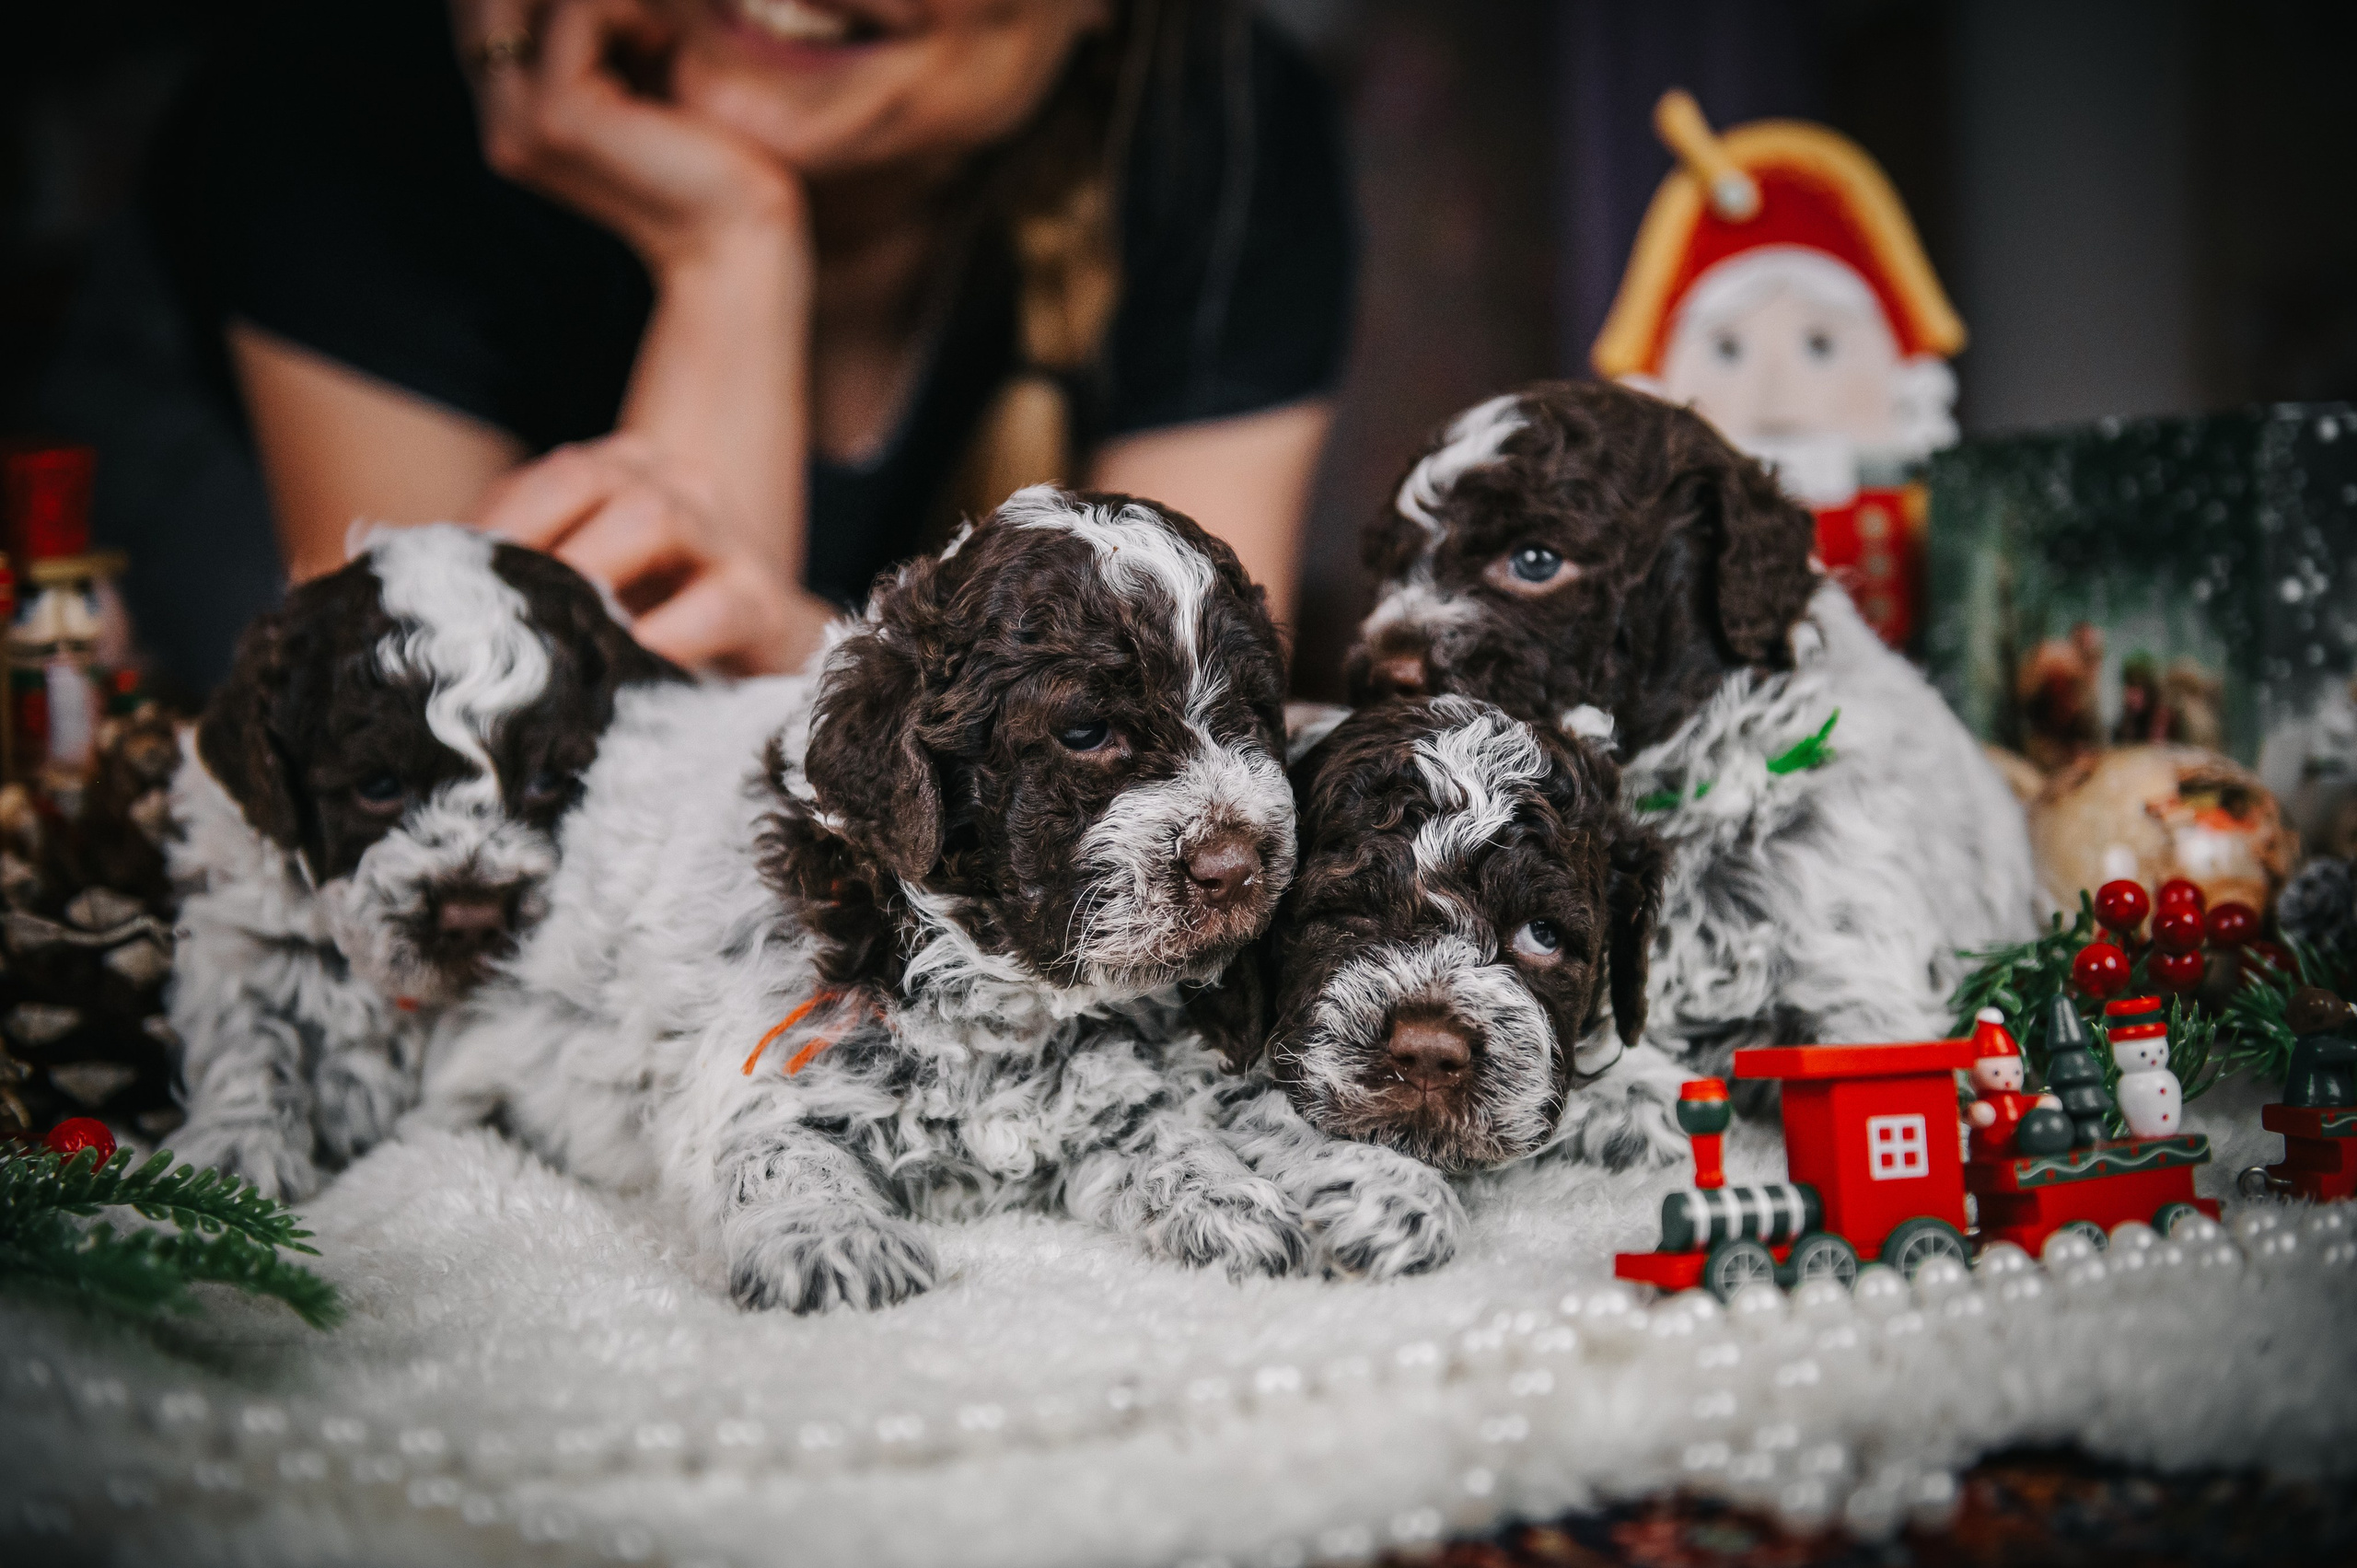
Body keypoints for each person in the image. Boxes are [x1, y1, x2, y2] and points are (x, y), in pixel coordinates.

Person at [175, 0, 1352, 674]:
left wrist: (812, 666)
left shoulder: (1219, 137)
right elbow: (489, 830)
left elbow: (1177, 765)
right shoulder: (352, 100)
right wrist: (728, 246)